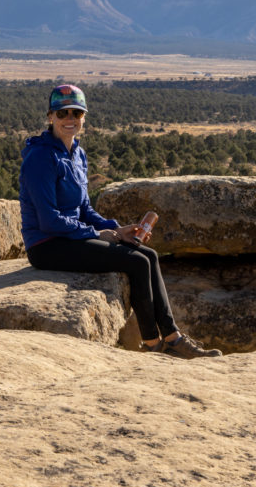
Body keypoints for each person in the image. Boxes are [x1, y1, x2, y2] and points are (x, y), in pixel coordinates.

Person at [19, 84, 221, 359]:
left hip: (70, 236)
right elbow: (49, 220)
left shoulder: (77, 153)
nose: (70, 119)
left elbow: (84, 208)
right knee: (136, 262)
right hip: (47, 245)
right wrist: (96, 233)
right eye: (63, 113)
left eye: (76, 113)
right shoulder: (41, 156)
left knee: (148, 255)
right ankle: (152, 343)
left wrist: (116, 229)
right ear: (50, 116)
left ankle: (172, 337)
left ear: (83, 118)